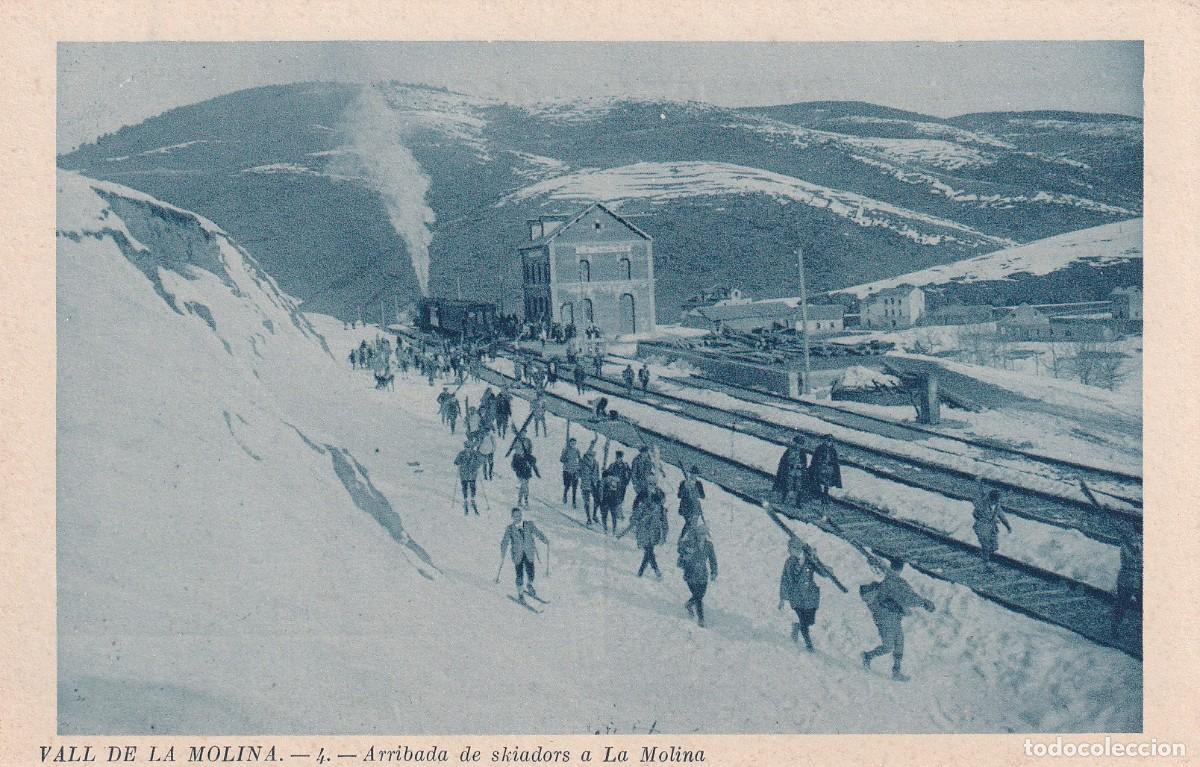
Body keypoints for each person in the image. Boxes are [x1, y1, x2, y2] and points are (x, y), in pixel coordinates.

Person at [861, 556, 935, 682]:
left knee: (899, 643)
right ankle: (868, 656)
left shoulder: (893, 578)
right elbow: (907, 597)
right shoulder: (892, 582)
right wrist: (923, 603)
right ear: (899, 569)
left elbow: (907, 594)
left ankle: (896, 671)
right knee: (888, 646)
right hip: (884, 618)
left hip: (894, 617)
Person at [778, 537, 847, 652]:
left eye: (792, 548)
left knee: (809, 621)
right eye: (790, 548)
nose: (789, 550)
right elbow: (788, 578)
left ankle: (797, 627)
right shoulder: (790, 562)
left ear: (799, 549)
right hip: (797, 596)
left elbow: (823, 573)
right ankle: (808, 644)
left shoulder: (809, 560)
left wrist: (817, 561)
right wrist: (782, 598)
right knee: (804, 621)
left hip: (810, 596)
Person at [497, 507, 549, 603]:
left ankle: (529, 585)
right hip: (518, 555)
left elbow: (537, 532)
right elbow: (505, 541)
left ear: (521, 515)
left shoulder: (529, 524)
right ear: (512, 517)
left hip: (529, 553)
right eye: (515, 516)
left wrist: (545, 539)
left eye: (519, 515)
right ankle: (520, 593)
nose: (518, 518)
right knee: (519, 575)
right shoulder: (510, 529)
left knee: (531, 572)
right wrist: (503, 552)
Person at [618, 485, 669, 578]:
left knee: (649, 552)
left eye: (657, 503)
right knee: (649, 551)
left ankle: (642, 572)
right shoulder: (643, 507)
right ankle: (655, 571)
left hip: (654, 534)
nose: (655, 505)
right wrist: (636, 521)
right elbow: (633, 519)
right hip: (643, 533)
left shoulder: (661, 510)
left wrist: (664, 537)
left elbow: (665, 525)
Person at [678, 521, 718, 627]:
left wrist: (714, 572)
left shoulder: (709, 545)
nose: (702, 536)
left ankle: (689, 604)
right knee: (699, 597)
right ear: (697, 534)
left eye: (704, 534)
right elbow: (680, 548)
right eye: (700, 533)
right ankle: (701, 619)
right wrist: (686, 550)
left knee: (700, 594)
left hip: (703, 574)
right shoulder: (690, 542)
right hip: (690, 573)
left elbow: (712, 559)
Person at [1110, 527, 1142, 637]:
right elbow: (1136, 557)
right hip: (1133, 578)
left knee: (1122, 604)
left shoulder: (1127, 542)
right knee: (1124, 604)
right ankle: (1115, 628)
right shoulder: (1132, 544)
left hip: (1129, 578)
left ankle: (1115, 628)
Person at [972, 482, 1012, 562]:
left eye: (998, 500)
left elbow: (1001, 516)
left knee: (994, 546)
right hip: (982, 526)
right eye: (995, 500)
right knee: (986, 544)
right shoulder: (982, 504)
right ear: (991, 499)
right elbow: (976, 513)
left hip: (992, 528)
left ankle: (984, 555)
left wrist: (1008, 526)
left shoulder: (996, 505)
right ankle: (985, 562)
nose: (997, 502)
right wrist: (991, 519)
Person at [600, 450, 632, 534]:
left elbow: (629, 474)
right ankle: (618, 514)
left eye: (620, 457)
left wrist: (625, 483)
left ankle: (619, 513)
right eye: (617, 457)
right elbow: (607, 474)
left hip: (621, 486)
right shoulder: (612, 465)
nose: (618, 459)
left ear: (622, 458)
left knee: (621, 499)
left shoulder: (625, 466)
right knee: (615, 501)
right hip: (613, 486)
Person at [773, 435, 810, 503]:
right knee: (787, 485)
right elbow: (783, 460)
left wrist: (801, 467)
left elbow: (804, 463)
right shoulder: (789, 451)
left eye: (800, 444)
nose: (798, 445)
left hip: (799, 472)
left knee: (799, 486)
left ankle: (797, 502)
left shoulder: (802, 453)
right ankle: (783, 499)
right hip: (790, 470)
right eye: (797, 443)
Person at [453, 440, 484, 516]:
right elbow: (456, 461)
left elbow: (481, 460)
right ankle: (465, 499)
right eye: (467, 447)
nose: (468, 448)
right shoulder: (461, 453)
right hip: (464, 473)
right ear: (465, 447)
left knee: (473, 486)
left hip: (472, 473)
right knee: (465, 486)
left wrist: (477, 465)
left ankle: (473, 498)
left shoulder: (475, 453)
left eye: (469, 447)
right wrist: (457, 462)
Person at [578, 439, 601, 526]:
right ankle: (588, 518)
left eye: (592, 456)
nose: (591, 457)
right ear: (587, 456)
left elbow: (597, 473)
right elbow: (578, 472)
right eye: (589, 456)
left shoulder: (596, 463)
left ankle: (594, 515)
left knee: (597, 500)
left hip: (594, 484)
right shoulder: (583, 463)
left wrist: (597, 482)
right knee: (587, 502)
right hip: (585, 485)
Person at [677, 465, 706, 533]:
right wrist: (685, 488)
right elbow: (679, 495)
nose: (693, 475)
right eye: (692, 473)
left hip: (695, 506)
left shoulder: (698, 484)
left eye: (695, 474)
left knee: (692, 524)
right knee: (689, 523)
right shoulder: (683, 483)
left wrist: (695, 492)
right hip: (686, 506)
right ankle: (683, 538)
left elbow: (703, 496)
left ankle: (687, 538)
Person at [559, 436, 582, 507]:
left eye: (574, 443)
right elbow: (561, 459)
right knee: (567, 485)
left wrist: (579, 467)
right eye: (572, 443)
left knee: (575, 487)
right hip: (567, 470)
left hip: (575, 470)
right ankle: (565, 495)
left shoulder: (577, 450)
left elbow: (580, 459)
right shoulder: (566, 450)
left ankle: (574, 502)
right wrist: (566, 459)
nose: (573, 444)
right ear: (569, 443)